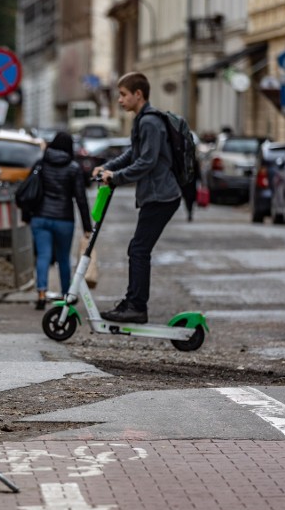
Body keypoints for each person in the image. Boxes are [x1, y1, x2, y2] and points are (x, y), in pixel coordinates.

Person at [92, 72, 181, 324]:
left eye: (123, 95)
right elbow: (133, 153)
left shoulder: (150, 122)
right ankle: (133, 302)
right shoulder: (142, 120)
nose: (120, 100)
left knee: (139, 250)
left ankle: (137, 307)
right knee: (137, 249)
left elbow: (147, 162)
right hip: (155, 195)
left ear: (138, 94)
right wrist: (106, 167)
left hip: (161, 196)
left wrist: (116, 177)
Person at [29, 132, 93, 310]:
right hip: (64, 219)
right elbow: (81, 199)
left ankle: (41, 294)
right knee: (64, 258)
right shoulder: (73, 168)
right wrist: (87, 227)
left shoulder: (41, 164)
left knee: (43, 255)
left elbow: (31, 188)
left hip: (40, 217)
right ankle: (66, 296)